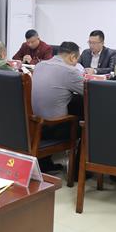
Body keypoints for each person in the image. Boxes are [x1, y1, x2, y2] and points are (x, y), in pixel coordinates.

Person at [31, 42, 85, 172]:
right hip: (53, 128)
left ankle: (44, 163)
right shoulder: (70, 71)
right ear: (72, 57)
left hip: (33, 123)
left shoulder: (39, 65)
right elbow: (90, 93)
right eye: (76, 60)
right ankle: (78, 171)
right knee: (87, 123)